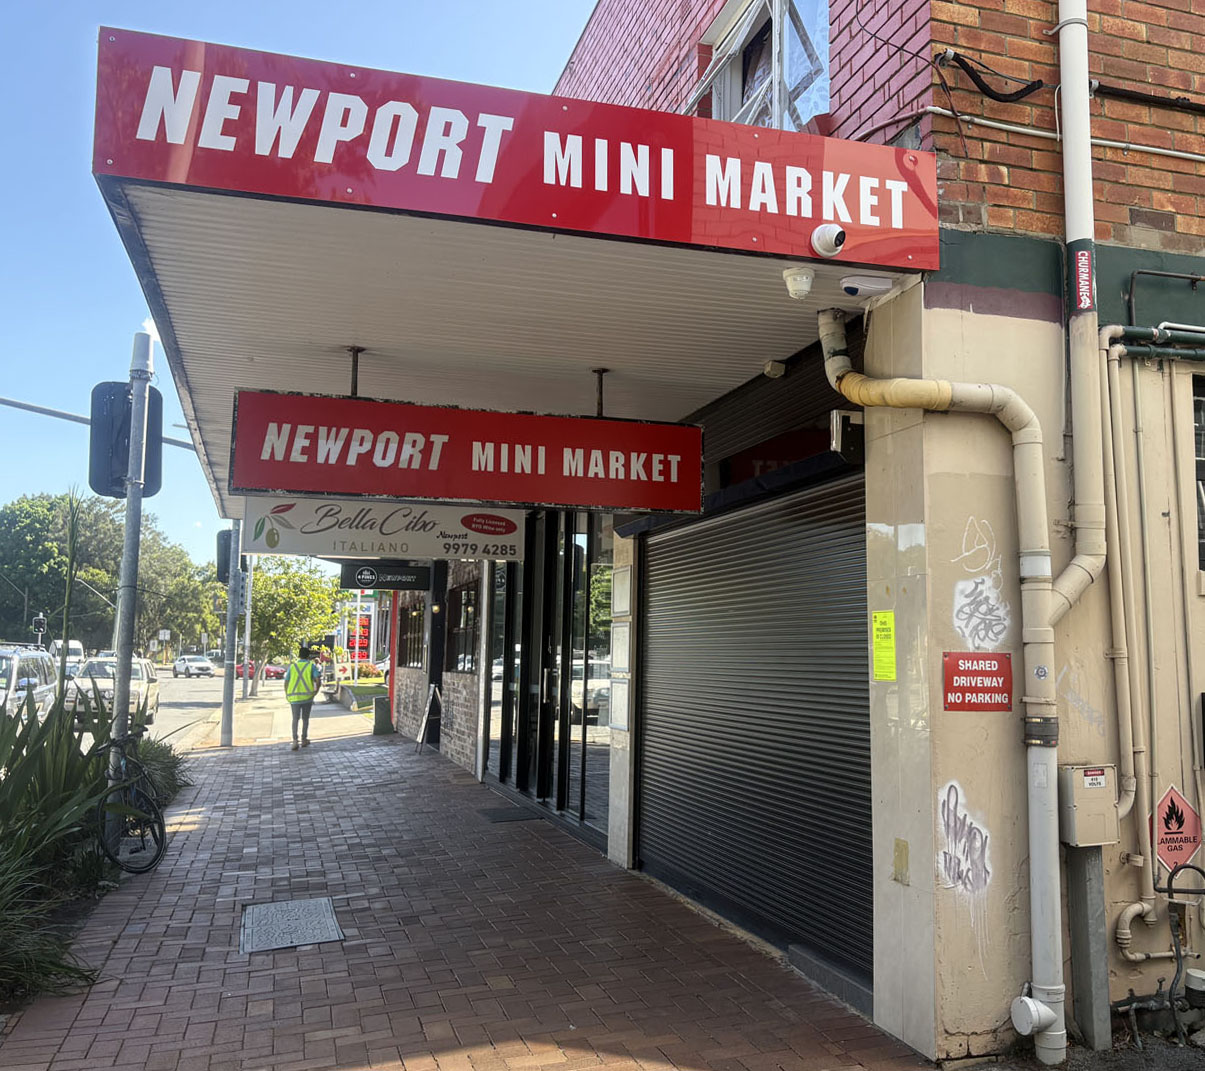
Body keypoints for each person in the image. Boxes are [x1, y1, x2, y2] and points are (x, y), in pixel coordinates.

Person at [284, 646, 320, 751]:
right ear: (308, 656)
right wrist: (315, 692)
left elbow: (286, 682)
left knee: (295, 719)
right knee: (305, 719)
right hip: (307, 697)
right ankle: (304, 739)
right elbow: (318, 680)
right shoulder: (311, 666)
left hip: (294, 698)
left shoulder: (293, 666)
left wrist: (287, 693)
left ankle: (295, 741)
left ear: (299, 655)